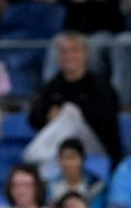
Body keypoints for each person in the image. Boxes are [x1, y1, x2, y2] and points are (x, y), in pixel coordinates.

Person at [29, 31, 123, 166]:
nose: (68, 56)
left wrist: (77, 113)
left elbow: (107, 123)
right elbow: (33, 118)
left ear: (85, 54)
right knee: (65, 117)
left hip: (95, 148)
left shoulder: (100, 86)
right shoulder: (53, 85)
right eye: (63, 52)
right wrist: (48, 116)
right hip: (58, 146)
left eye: (74, 51)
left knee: (69, 112)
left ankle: (37, 158)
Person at [47, 137, 107, 208]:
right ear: (58, 160)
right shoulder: (51, 185)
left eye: (72, 158)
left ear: (82, 159)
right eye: (64, 158)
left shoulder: (96, 185)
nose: (68, 163)